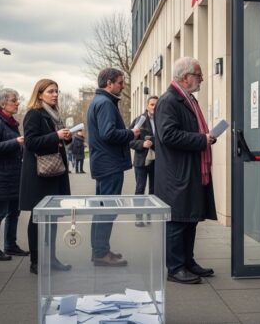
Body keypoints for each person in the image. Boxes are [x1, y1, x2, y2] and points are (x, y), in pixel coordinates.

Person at [154, 57, 218, 285]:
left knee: (190, 219)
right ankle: (175, 267)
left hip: (188, 170)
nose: (201, 78)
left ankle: (187, 261)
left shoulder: (186, 99)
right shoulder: (169, 101)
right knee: (178, 220)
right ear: (185, 77)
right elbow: (168, 135)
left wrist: (204, 138)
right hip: (176, 173)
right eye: (198, 74)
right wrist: (201, 139)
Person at [19, 79, 73, 274]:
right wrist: (56, 136)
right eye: (50, 91)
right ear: (39, 94)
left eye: (57, 91)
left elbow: (55, 139)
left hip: (54, 172)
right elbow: (31, 142)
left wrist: (67, 136)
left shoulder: (54, 114)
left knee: (53, 218)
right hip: (39, 175)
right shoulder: (34, 114)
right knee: (38, 218)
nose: (55, 94)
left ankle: (51, 258)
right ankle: (36, 261)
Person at [87, 67, 137, 267]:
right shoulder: (106, 103)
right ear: (109, 83)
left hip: (105, 163)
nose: (122, 86)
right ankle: (100, 253)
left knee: (102, 209)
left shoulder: (99, 101)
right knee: (107, 210)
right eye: (120, 82)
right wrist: (131, 133)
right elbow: (109, 134)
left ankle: (101, 250)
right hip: (110, 165)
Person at [0, 88, 29, 262]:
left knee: (13, 212)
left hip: (11, 175)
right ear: (3, 103)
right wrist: (16, 142)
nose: (17, 103)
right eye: (14, 100)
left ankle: (10, 245)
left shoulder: (9, 121)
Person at [129, 95, 158, 227]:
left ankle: (149, 216)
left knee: (153, 189)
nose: (154, 107)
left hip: (157, 160)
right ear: (147, 106)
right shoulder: (139, 120)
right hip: (141, 160)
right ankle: (138, 217)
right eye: (152, 104)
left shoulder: (162, 120)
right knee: (140, 189)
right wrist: (142, 144)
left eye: (156, 104)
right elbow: (129, 140)